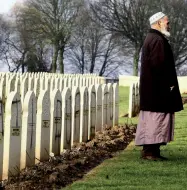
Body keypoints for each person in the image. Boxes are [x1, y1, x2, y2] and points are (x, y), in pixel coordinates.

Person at [135, 12, 183, 161]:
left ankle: (152, 151)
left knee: (154, 120)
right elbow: (159, 66)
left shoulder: (155, 38)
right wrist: (168, 85)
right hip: (157, 91)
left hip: (154, 90)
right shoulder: (157, 40)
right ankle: (150, 152)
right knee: (156, 120)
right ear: (158, 23)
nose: (169, 25)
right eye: (167, 22)